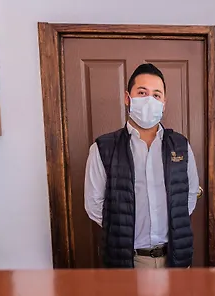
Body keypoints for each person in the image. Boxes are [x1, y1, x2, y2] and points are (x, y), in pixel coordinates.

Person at [84, 63, 199, 269]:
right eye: (142, 92)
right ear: (127, 98)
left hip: (175, 258)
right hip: (127, 261)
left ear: (164, 103)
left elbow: (189, 198)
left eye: (156, 95)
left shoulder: (180, 146)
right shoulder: (103, 148)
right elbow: (94, 205)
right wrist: (122, 229)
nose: (149, 100)